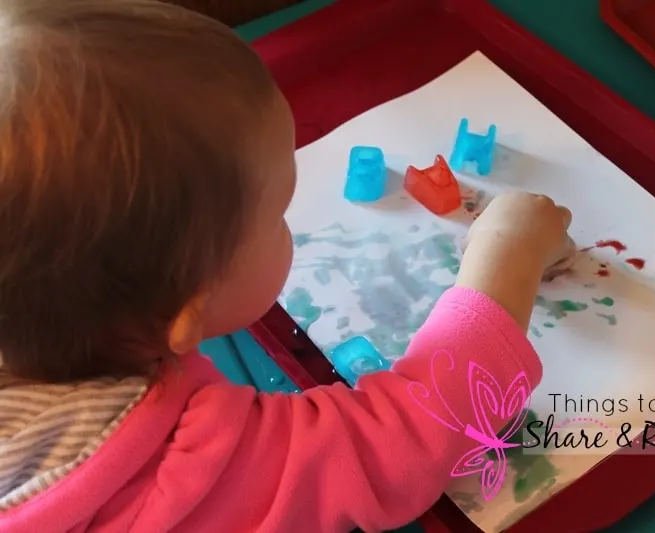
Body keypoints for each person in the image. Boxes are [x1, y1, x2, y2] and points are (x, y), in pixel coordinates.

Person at [0, 1, 575, 531]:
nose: (291, 219)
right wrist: (506, 258)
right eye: (279, 211)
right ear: (184, 311)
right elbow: (397, 447)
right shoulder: (170, 475)